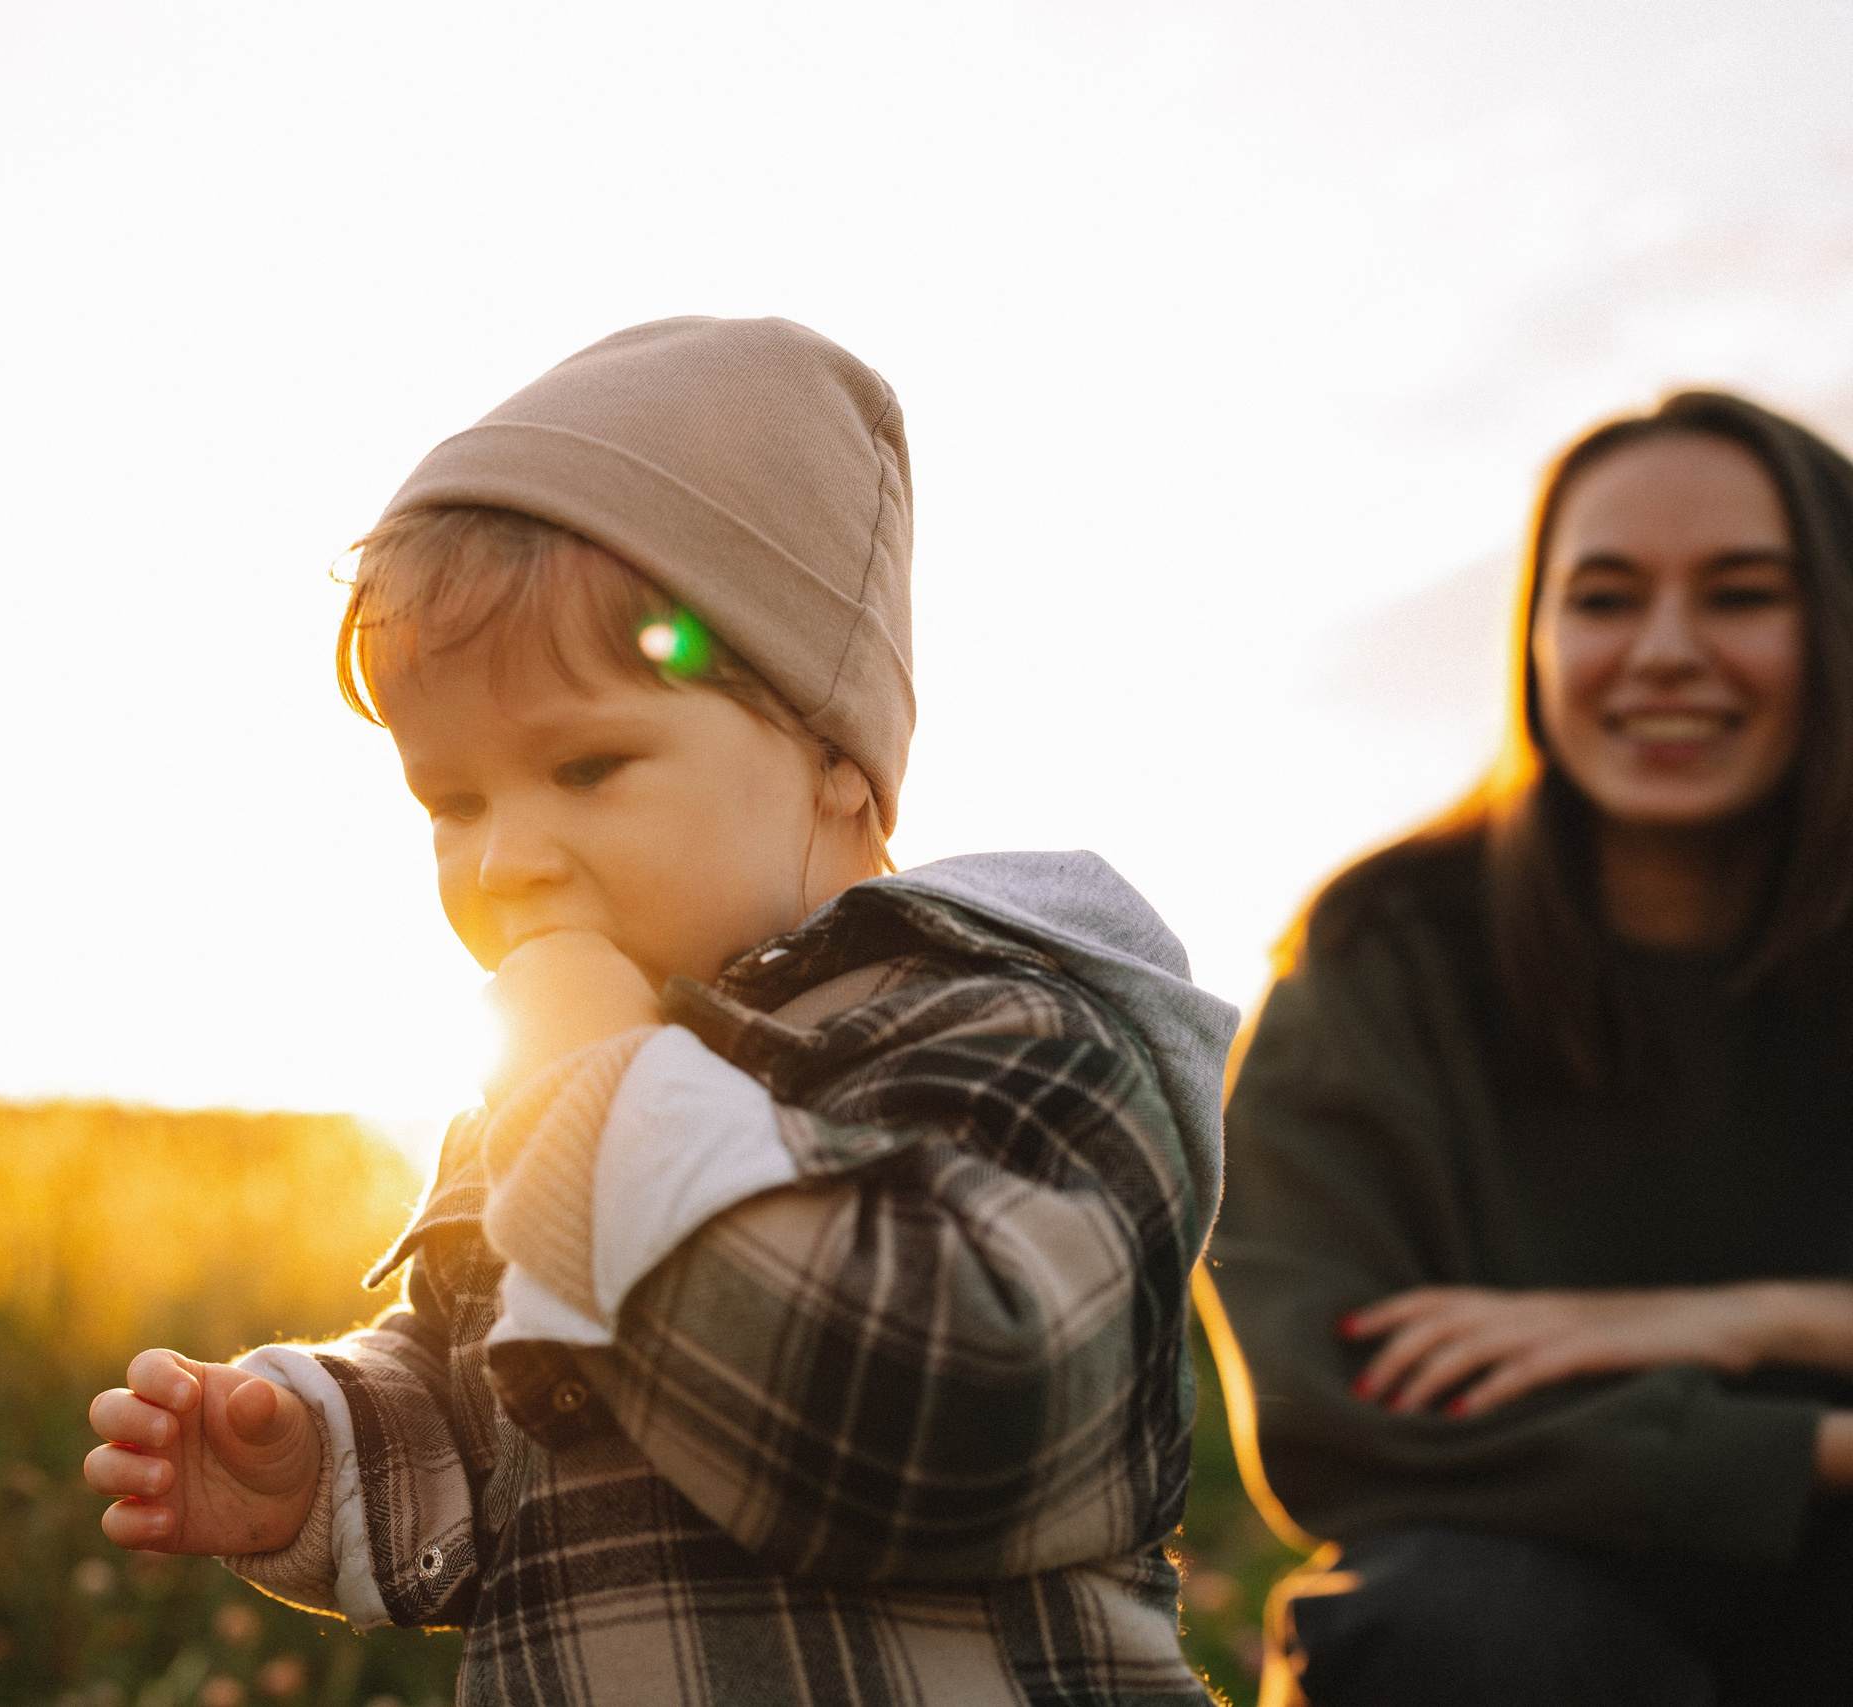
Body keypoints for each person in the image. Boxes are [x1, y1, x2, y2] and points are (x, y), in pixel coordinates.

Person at [80, 317, 1236, 1705]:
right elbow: (490, 1408)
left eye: (586, 766)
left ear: (833, 763)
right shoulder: (554, 1086)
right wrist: (324, 1451)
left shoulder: (1000, 1034)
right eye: (454, 802)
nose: (507, 858)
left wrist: (608, 1102)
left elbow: (955, 1414)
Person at [1205, 390, 1853, 1705]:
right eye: (1606, 598)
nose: (1666, 651)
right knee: (1438, 1616)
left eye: (1741, 595)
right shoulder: (1385, 948)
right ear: (1540, 641)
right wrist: (1816, 1449)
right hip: (1541, 1640)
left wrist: (1737, 1320)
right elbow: (1331, 1410)